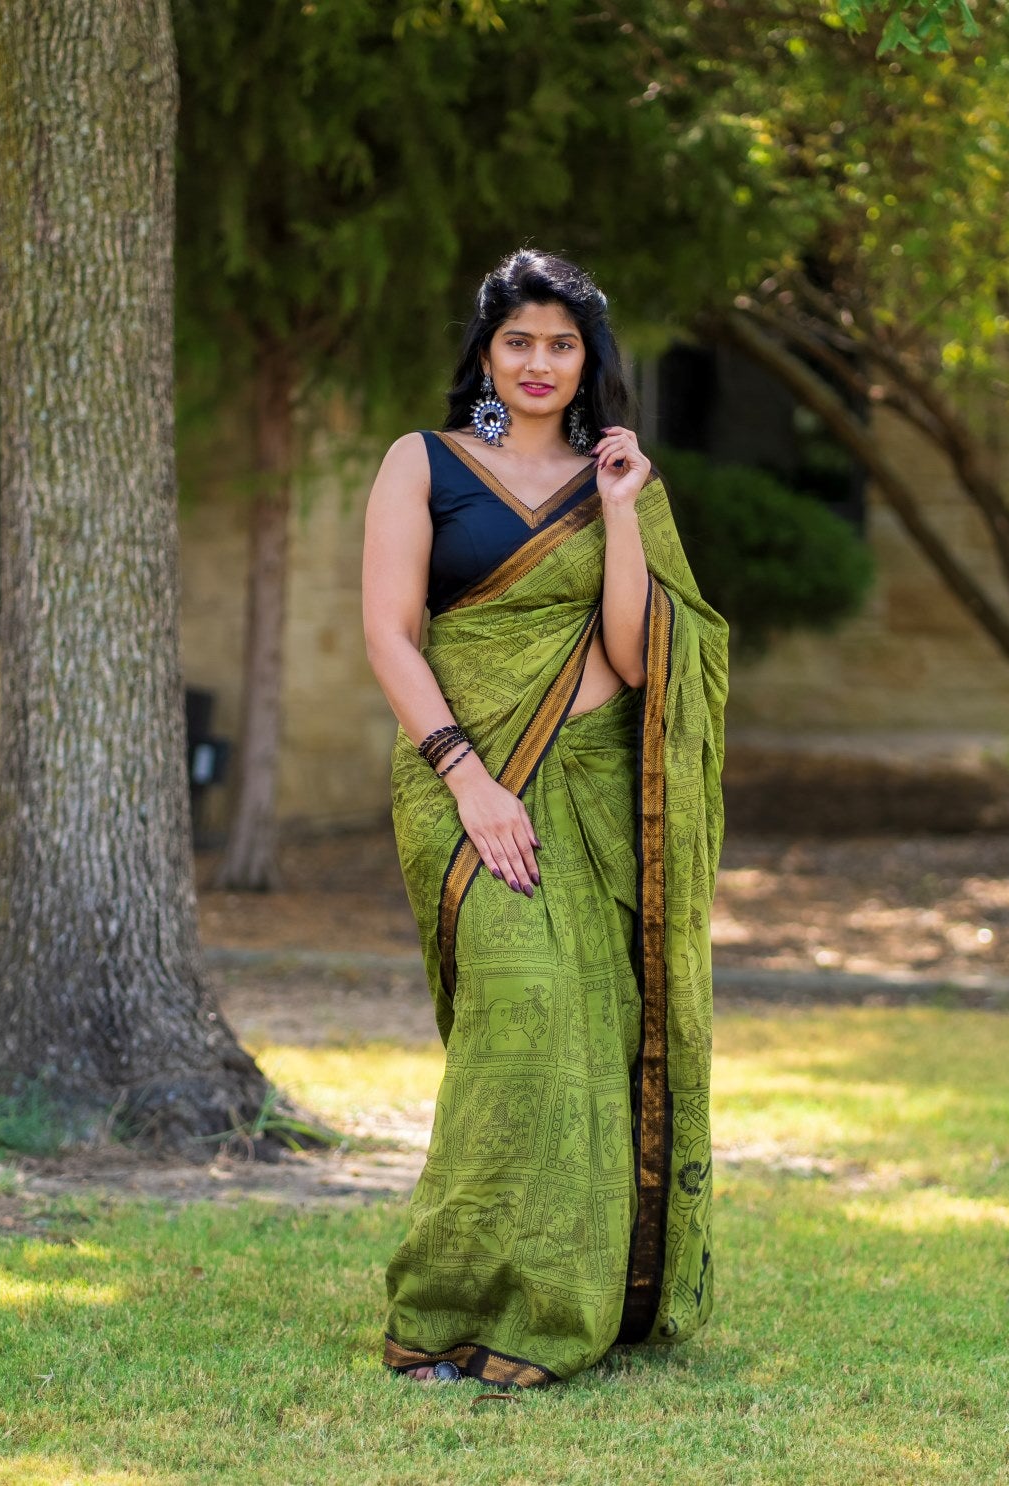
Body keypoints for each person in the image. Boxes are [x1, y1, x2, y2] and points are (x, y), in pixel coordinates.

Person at [360, 249, 728, 1387]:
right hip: (461, 781)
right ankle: (443, 1302)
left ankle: (561, 1304)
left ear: (588, 361)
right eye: (517, 340)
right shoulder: (423, 464)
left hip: (594, 792)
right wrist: (469, 777)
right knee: (515, 1019)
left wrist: (620, 512)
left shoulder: (620, 482)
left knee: (587, 1036)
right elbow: (388, 635)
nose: (537, 362)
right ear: (484, 351)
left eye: (560, 344)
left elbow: (639, 652)